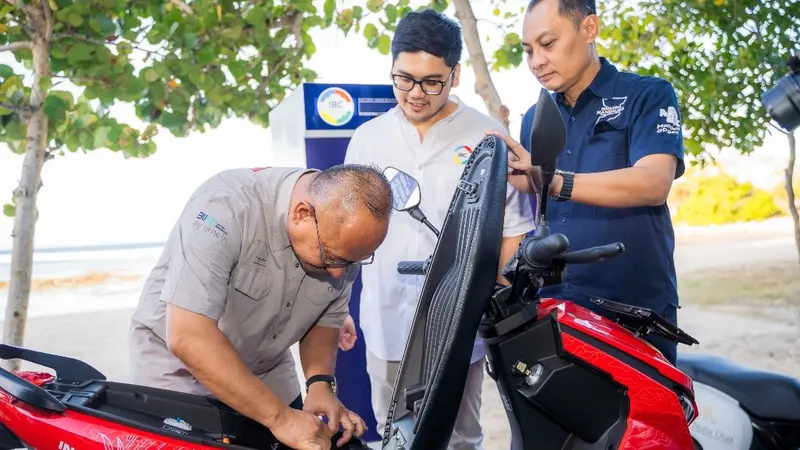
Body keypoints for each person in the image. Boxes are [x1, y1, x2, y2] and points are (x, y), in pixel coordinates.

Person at [342, 9, 537, 450]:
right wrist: (337, 308)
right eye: (403, 79)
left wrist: (494, 302)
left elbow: (514, 229)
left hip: (459, 325)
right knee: (393, 433)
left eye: (432, 81)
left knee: (461, 437)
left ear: (456, 74)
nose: (415, 93)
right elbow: (344, 237)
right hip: (385, 318)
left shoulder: (488, 136)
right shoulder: (367, 140)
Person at [128, 164, 394, 450]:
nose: (339, 274)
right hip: (179, 364)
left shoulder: (338, 241)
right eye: (331, 258)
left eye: (352, 262)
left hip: (266, 361)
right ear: (302, 214)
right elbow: (189, 336)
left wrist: (319, 384)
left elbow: (326, 316)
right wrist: (281, 419)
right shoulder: (224, 208)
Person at [493, 0, 686, 365]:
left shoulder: (647, 95)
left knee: (640, 422)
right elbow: (541, 192)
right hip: (554, 308)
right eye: (529, 50)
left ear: (589, 29)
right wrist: (525, 180)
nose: (536, 61)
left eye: (547, 44)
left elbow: (653, 183)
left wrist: (553, 182)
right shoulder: (536, 117)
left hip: (632, 311)